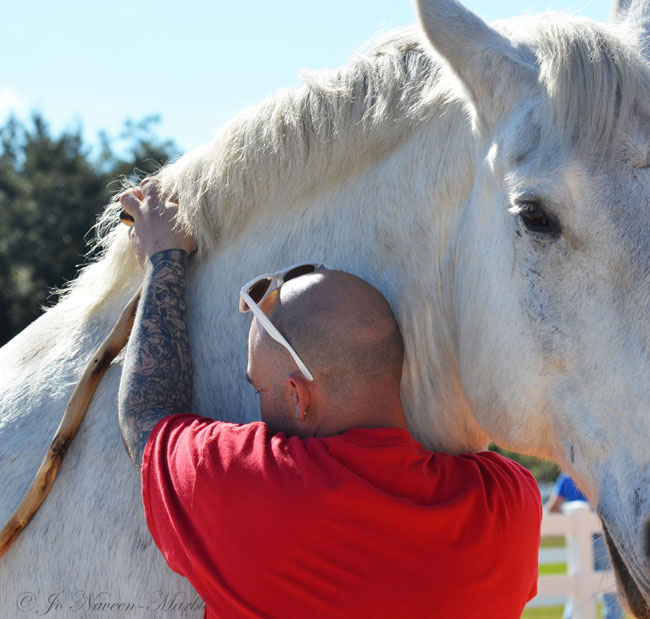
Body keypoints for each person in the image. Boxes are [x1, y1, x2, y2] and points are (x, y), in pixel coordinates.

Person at [117, 180, 542, 618]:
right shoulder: (511, 505)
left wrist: (163, 257)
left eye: (258, 387)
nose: (257, 402)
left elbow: (146, 415)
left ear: (299, 398)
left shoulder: (254, 488)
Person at [546, 473, 623, 619]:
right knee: (612, 594)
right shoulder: (598, 474)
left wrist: (570, 519)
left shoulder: (567, 478)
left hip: (579, 545)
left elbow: (553, 509)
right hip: (603, 542)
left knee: (578, 592)